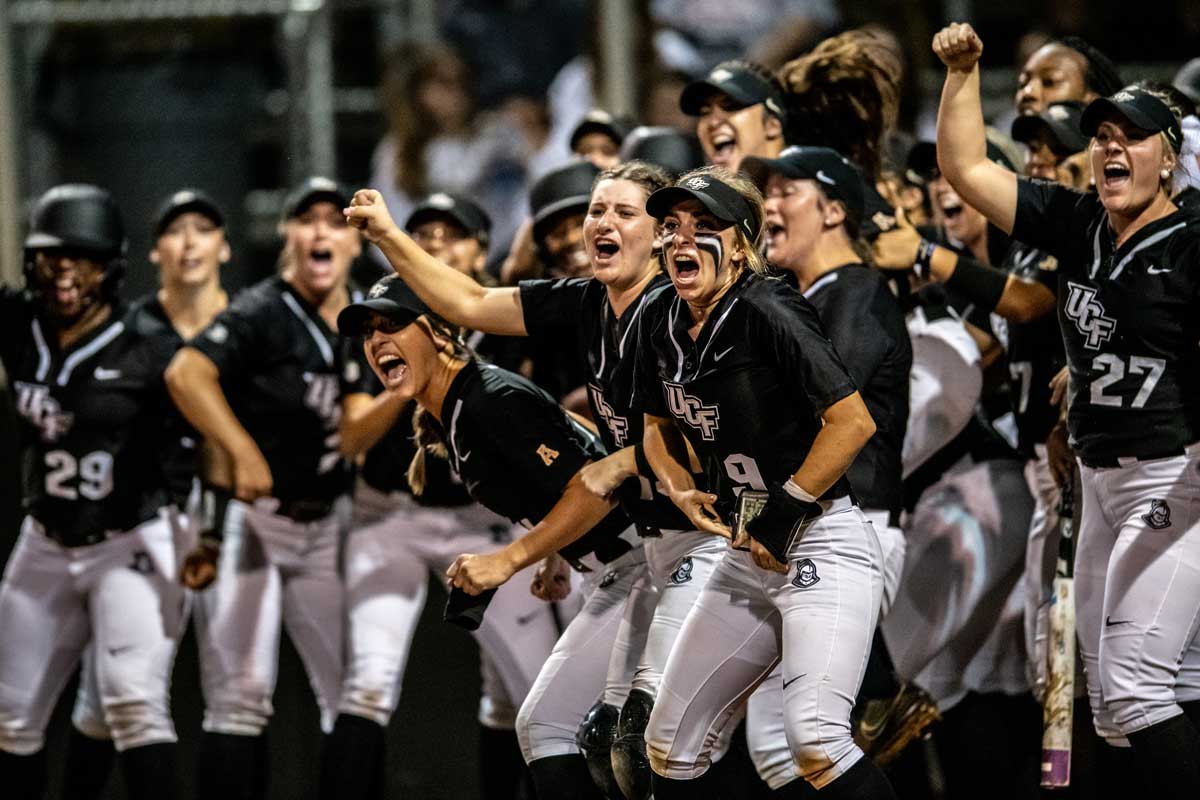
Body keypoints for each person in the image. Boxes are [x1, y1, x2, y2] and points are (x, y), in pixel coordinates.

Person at [336, 162, 758, 799]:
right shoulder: (589, 303)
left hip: (713, 545)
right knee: (566, 732)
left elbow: (715, 431)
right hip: (645, 553)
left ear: (663, 233)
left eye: (623, 212)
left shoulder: (677, 312)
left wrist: (516, 553)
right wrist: (389, 235)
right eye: (596, 211)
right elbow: (472, 302)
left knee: (693, 743)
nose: (601, 223)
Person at [933, 22, 1200, 797]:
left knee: (1134, 688)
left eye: (1134, 138)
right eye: (1103, 136)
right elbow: (966, 167)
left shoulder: (1192, 242)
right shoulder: (1077, 221)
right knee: (1110, 701)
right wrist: (963, 74)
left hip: (1173, 477)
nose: (1113, 149)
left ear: (1172, 157)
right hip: (1095, 479)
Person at [332, 262, 644, 800]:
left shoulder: (486, 400)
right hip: (616, 567)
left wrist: (512, 558)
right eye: (368, 332)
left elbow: (600, 487)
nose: (377, 340)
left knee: (592, 733)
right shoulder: (455, 409)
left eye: (393, 324)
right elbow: (578, 464)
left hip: (647, 566)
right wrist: (555, 551)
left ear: (438, 329)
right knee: (573, 731)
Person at [631, 166, 894, 799]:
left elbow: (852, 422)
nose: (681, 241)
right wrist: (676, 484)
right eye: (671, 227)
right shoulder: (658, 313)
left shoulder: (768, 306)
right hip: (747, 547)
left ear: (744, 244)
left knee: (815, 740)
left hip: (820, 536)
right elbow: (653, 424)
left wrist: (788, 505)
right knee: (669, 744)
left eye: (705, 227)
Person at [326, 193, 560, 800]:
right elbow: (352, 436)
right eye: (422, 231)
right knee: (368, 684)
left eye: (451, 234)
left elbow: (567, 465)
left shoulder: (504, 330)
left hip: (492, 523)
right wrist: (406, 373)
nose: (433, 243)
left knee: (535, 696)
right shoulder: (389, 322)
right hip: (394, 516)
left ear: (481, 248)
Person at [164, 177, 379, 799]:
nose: (319, 231)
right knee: (239, 697)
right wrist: (241, 448)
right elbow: (187, 373)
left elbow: (355, 431)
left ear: (353, 240)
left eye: (333, 221)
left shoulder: (367, 314)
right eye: (304, 220)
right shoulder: (263, 309)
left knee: (355, 693)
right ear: (287, 236)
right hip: (253, 523)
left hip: (329, 523)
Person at [0, 184, 192, 799]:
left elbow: (207, 433)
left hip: (129, 536)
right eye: (53, 258)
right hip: (44, 539)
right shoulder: (18, 324)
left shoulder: (149, 345)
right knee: (12, 719)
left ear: (109, 269)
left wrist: (205, 525)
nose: (64, 274)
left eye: (80, 260)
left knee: (133, 706)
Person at [61, 188, 233, 798]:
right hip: (146, 516)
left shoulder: (248, 322)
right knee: (114, 699)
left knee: (239, 691)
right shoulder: (127, 329)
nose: (189, 242)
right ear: (155, 249)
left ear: (225, 245)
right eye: (175, 229)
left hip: (236, 517)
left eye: (203, 228)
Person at [679, 60, 788, 172]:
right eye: (704, 112)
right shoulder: (689, 188)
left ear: (772, 125)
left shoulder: (804, 186)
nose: (713, 122)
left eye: (731, 106)